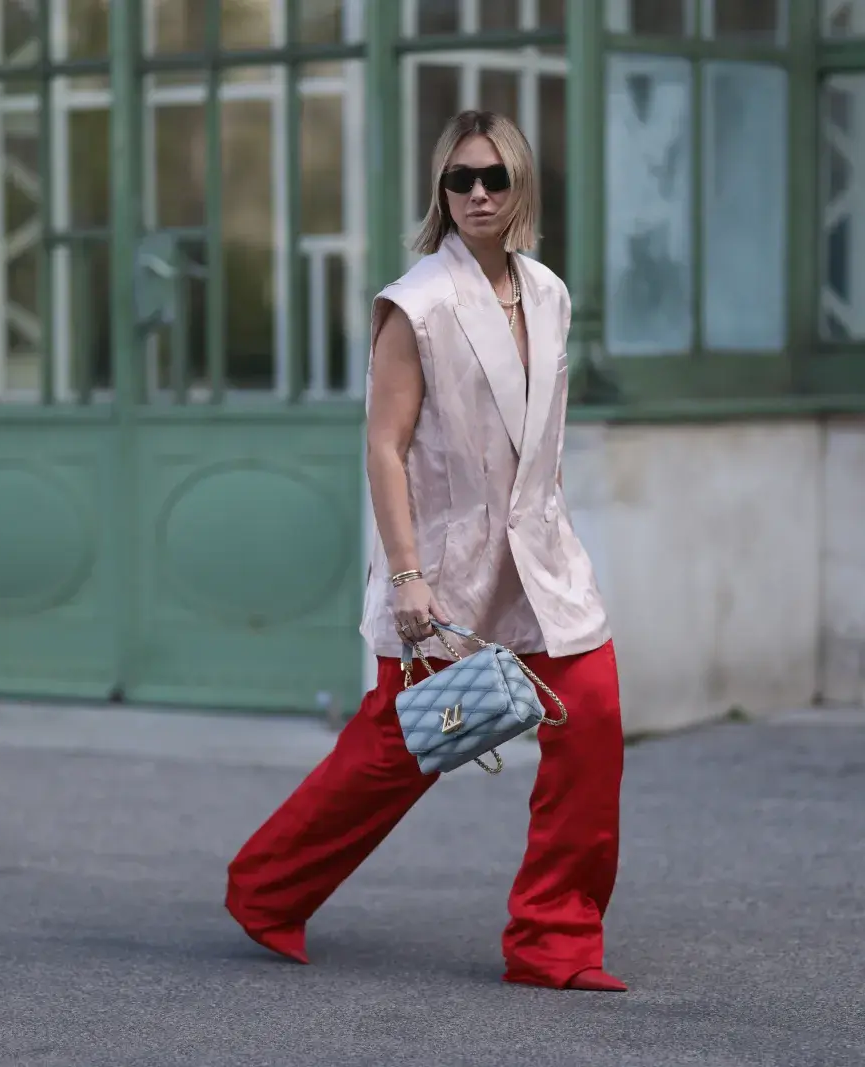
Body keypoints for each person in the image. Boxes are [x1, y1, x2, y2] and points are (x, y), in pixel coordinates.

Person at [224, 110, 626, 993]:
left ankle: (553, 939)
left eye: (495, 178)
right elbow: (384, 444)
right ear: (440, 193)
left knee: (591, 724)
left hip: (545, 560)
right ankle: (264, 888)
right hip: (443, 568)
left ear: (522, 186)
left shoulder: (550, 294)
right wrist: (406, 575)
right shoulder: (418, 303)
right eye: (460, 180)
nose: (478, 194)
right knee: (397, 751)